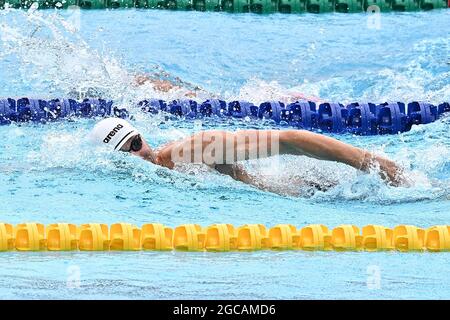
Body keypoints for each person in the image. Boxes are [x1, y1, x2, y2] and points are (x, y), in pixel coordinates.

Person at [89, 118, 407, 196]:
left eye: (137, 141)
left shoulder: (188, 152)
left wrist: (372, 163)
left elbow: (288, 139)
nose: (139, 152)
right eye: (127, 150)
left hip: (302, 192)